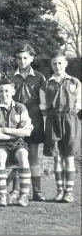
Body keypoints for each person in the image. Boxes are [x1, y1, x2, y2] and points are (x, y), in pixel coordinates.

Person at [40, 51, 81, 203]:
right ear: (51, 65)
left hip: (70, 120)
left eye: (60, 63)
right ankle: (59, 191)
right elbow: (43, 105)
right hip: (53, 120)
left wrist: (68, 113)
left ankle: (68, 192)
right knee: (56, 158)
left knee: (68, 157)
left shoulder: (74, 82)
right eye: (54, 63)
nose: (57, 66)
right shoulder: (46, 83)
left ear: (66, 64)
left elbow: (78, 105)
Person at [7, 43, 46, 202]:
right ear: (15, 59)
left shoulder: (39, 76)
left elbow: (44, 101)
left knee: (33, 156)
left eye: (25, 58)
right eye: (19, 58)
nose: (22, 61)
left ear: (31, 58)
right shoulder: (10, 76)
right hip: (17, 120)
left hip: (35, 119)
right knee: (18, 155)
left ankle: (37, 190)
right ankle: (16, 190)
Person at [0, 77, 33, 207]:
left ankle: (23, 195)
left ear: (13, 92)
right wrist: (15, 134)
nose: (4, 94)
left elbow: (27, 132)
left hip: (18, 144)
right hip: (0, 144)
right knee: (0, 157)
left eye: (7, 91)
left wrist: (5, 129)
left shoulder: (21, 108)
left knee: (23, 156)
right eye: (1, 91)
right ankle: (2, 194)